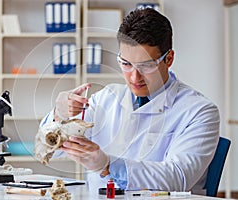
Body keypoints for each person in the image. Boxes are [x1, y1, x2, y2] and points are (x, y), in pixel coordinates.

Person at [39, 8, 220, 195]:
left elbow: (179, 177)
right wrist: (58, 115)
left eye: (147, 65)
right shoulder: (105, 98)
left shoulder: (200, 111)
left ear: (169, 59)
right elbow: (49, 151)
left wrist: (109, 165)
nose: (134, 77)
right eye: (126, 64)